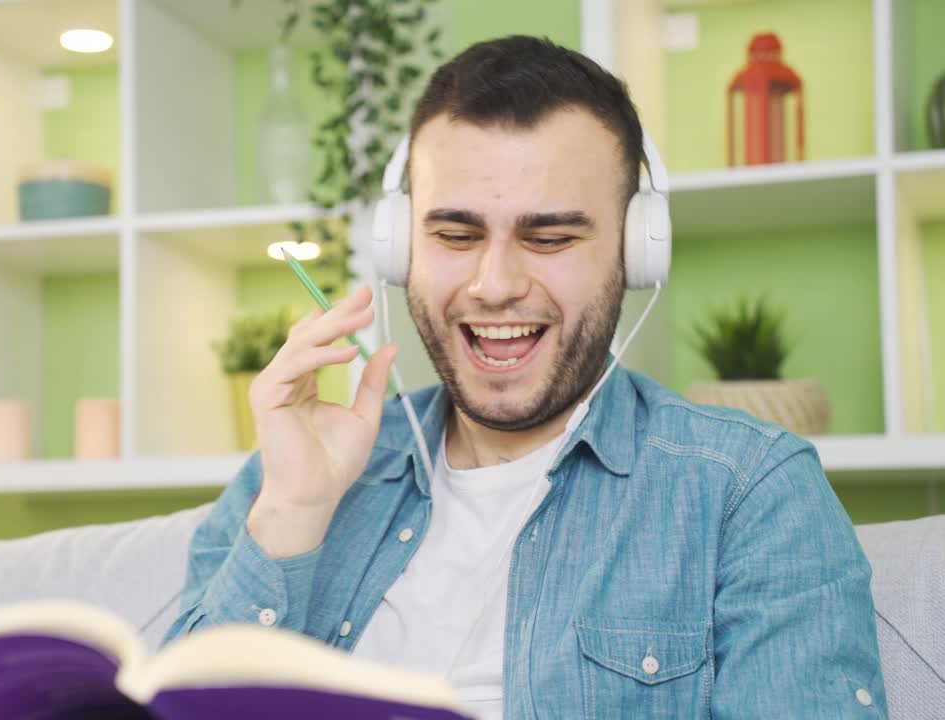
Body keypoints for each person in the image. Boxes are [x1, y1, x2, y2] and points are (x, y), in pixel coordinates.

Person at [162, 35, 886, 718]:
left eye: (549, 237)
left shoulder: (748, 491)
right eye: (454, 234)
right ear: (397, 248)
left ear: (637, 253)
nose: (494, 284)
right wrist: (292, 511)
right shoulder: (295, 476)